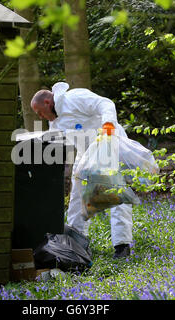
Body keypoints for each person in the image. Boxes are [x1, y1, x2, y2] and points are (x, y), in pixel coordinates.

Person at [31, 82, 132, 258]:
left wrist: (108, 124)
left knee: (115, 194)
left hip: (108, 144)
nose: (41, 117)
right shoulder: (54, 122)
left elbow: (105, 103)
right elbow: (56, 144)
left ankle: (121, 245)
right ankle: (76, 241)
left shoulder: (75, 98)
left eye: (40, 112)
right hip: (86, 153)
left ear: (47, 102)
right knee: (77, 195)